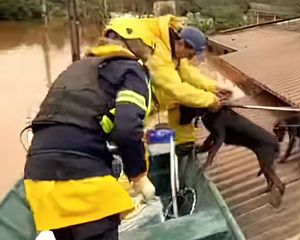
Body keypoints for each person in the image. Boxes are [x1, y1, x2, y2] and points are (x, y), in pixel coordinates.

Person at [24, 37, 155, 240]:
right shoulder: (131, 70)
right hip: (82, 180)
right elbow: (127, 129)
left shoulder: (76, 70)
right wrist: (138, 176)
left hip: (38, 179)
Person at [103, 15, 232, 158]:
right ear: (183, 44)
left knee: (175, 106)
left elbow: (187, 72)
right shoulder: (159, 54)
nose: (190, 58)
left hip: (134, 89)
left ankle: (178, 150)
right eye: (191, 54)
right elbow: (176, 89)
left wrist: (214, 88)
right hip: (118, 95)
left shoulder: (171, 45)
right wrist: (211, 101)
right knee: (127, 135)